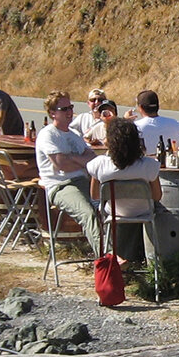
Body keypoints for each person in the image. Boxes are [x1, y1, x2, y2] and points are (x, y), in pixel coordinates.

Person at [34, 90, 101, 250]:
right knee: (88, 214)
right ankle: (107, 260)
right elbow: (61, 165)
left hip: (84, 181)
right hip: (61, 185)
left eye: (70, 107)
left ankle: (123, 255)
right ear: (52, 113)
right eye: (64, 109)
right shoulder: (48, 135)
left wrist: (71, 157)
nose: (69, 112)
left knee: (111, 210)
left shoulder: (75, 134)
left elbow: (91, 158)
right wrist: (80, 160)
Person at [88, 118, 163, 259]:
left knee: (95, 205)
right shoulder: (149, 165)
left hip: (114, 213)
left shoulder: (99, 165)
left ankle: (112, 253)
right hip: (143, 212)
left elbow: (95, 195)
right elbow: (157, 196)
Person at [134, 90, 179, 155]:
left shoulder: (135, 127)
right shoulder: (175, 124)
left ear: (140, 107)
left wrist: (124, 121)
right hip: (169, 163)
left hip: (146, 164)